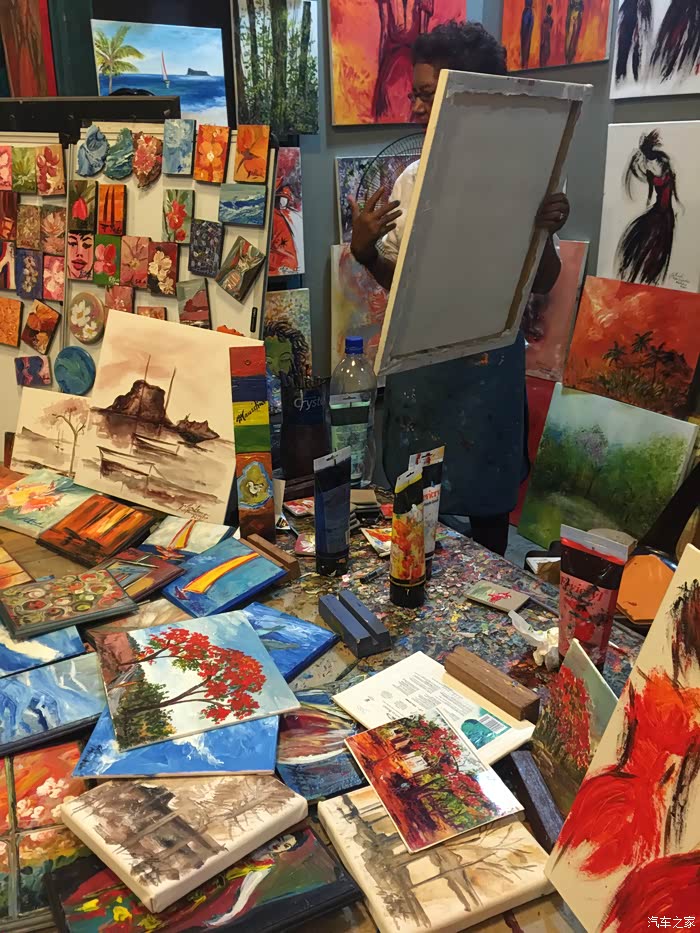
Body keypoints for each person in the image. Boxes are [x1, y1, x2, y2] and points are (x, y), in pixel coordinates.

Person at [349, 21, 570, 556]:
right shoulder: (412, 180)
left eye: (427, 95)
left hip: (491, 365)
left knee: (490, 503)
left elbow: (542, 282)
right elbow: (405, 287)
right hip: (424, 364)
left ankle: (491, 592)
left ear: (466, 99)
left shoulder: (526, 176)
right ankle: (416, 582)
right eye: (415, 94)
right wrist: (365, 252)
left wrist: (544, 232)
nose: (415, 108)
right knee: (416, 502)